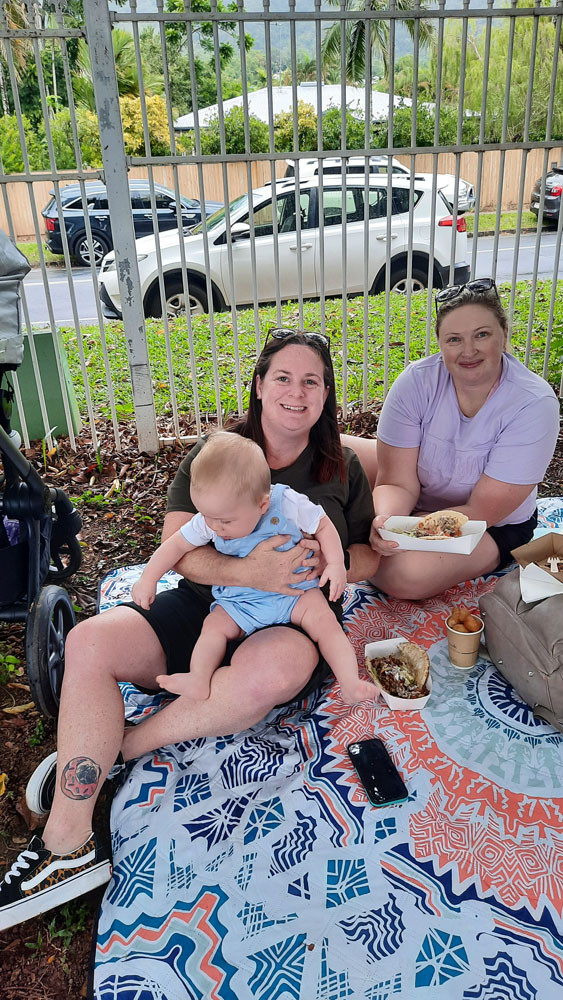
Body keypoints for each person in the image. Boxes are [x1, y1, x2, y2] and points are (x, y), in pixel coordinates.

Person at [0, 327, 379, 931]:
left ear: (326, 393)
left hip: (290, 622)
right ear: (259, 386)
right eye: (282, 376)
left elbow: (366, 554)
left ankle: (124, 746)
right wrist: (248, 567)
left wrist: (327, 564)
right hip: (209, 604)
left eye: (312, 381)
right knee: (88, 641)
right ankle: (67, 846)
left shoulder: (342, 467)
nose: (296, 391)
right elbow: (177, 542)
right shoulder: (220, 453)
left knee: (272, 672)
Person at [343, 278, 560, 600]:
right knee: (326, 449)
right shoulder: (416, 381)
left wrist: (402, 531)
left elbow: (482, 509)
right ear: (441, 344)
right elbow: (397, 482)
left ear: (504, 334)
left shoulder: (533, 403)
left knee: (401, 574)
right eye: (454, 339)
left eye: (482, 335)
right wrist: (382, 522)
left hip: (488, 523)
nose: (468, 351)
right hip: (417, 489)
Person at [131, 430, 374, 705]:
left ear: (262, 504)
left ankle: (350, 681)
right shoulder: (212, 518)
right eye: (208, 517)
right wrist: (148, 579)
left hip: (295, 593)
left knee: (327, 625)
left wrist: (335, 563)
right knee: (213, 628)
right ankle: (198, 678)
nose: (215, 528)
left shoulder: (287, 502)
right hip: (240, 599)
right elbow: (174, 546)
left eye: (225, 521)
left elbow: (323, 524)